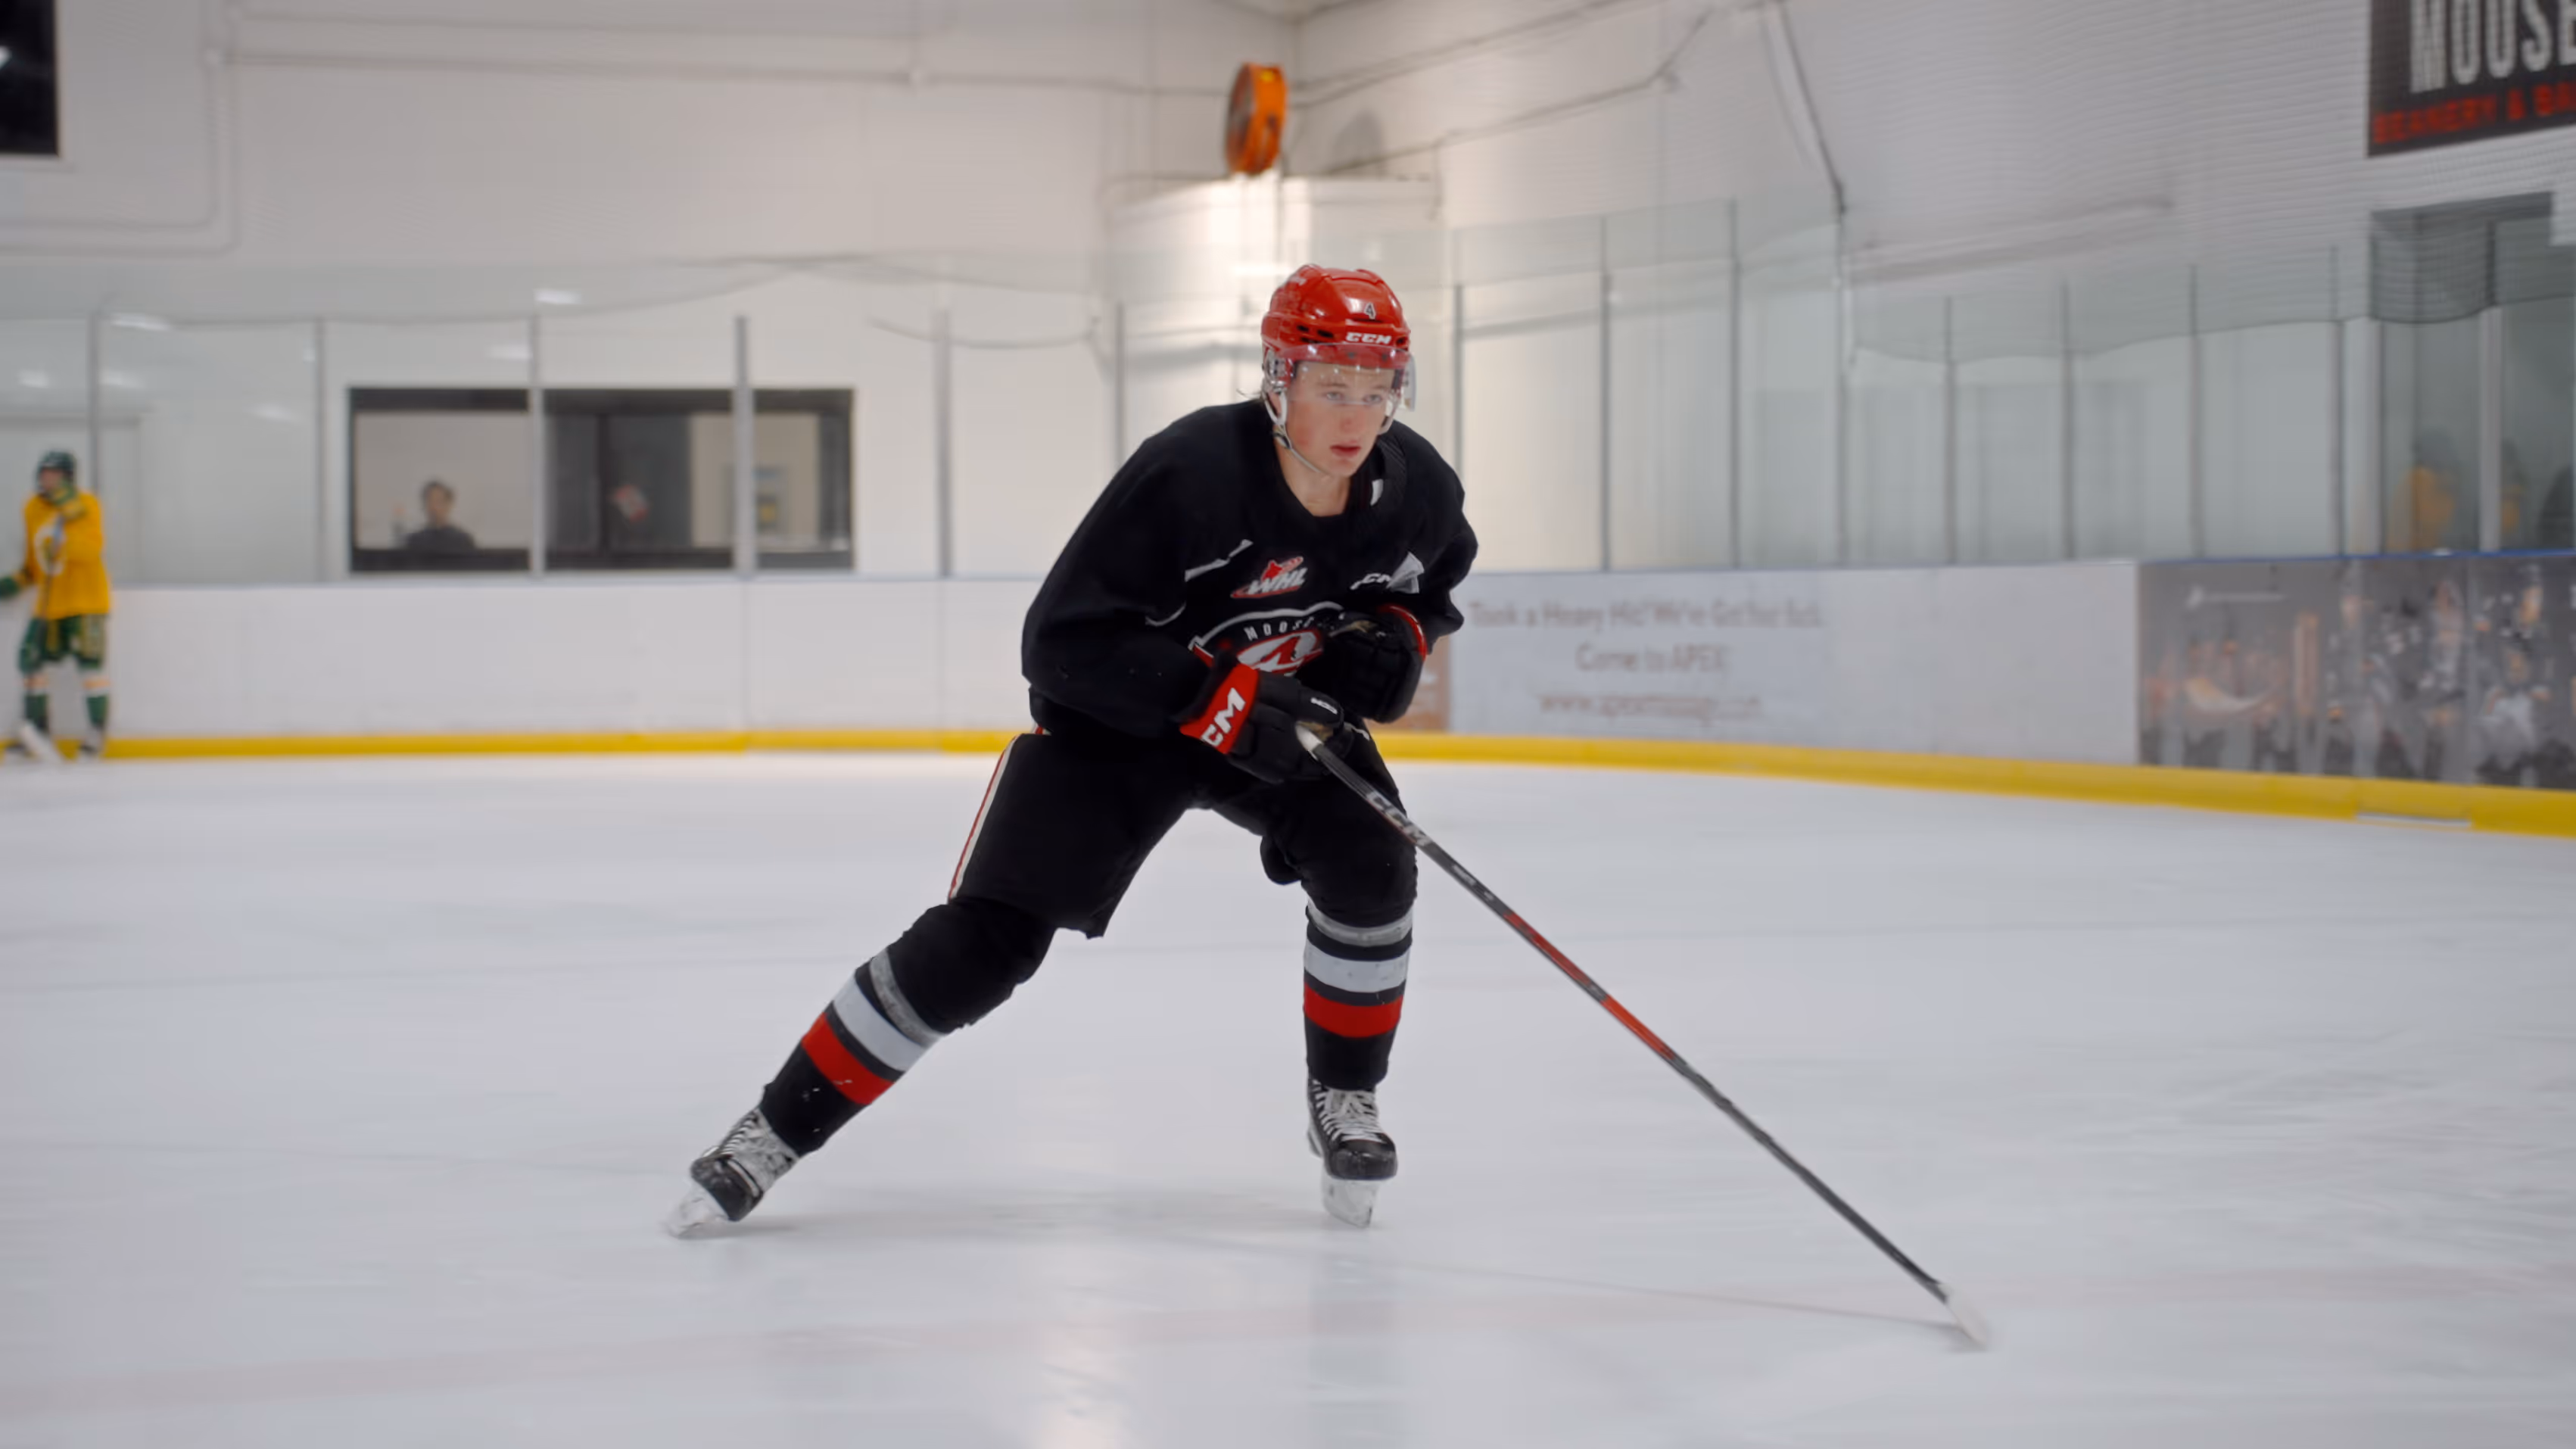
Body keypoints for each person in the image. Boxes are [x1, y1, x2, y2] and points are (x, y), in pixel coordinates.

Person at [668, 266, 1478, 1234]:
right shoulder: (1193, 474)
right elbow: (1061, 643)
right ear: (1280, 379)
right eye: (1331, 388)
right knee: (987, 943)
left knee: (1373, 862)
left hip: (1278, 717)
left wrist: (1395, 633)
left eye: (1375, 391)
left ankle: (1344, 1098)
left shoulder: (1414, 485)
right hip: (1123, 727)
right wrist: (1211, 697)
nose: (1355, 416)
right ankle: (769, 1133)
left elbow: (1428, 579)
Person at [1, 451, 111, 762]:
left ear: (68, 477)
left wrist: (65, 536)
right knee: (30, 661)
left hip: (85, 601)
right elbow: (36, 564)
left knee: (90, 667)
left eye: (54, 474)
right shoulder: (33, 508)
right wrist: (16, 581)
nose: (46, 479)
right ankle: (37, 732)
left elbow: (92, 549)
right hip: (48, 607)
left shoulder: (86, 505)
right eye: (43, 473)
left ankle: (96, 733)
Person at [402, 479, 477, 556]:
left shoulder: (463, 540)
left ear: (449, 504)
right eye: (430, 501)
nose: (433, 507)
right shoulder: (414, 541)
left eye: (438, 501)